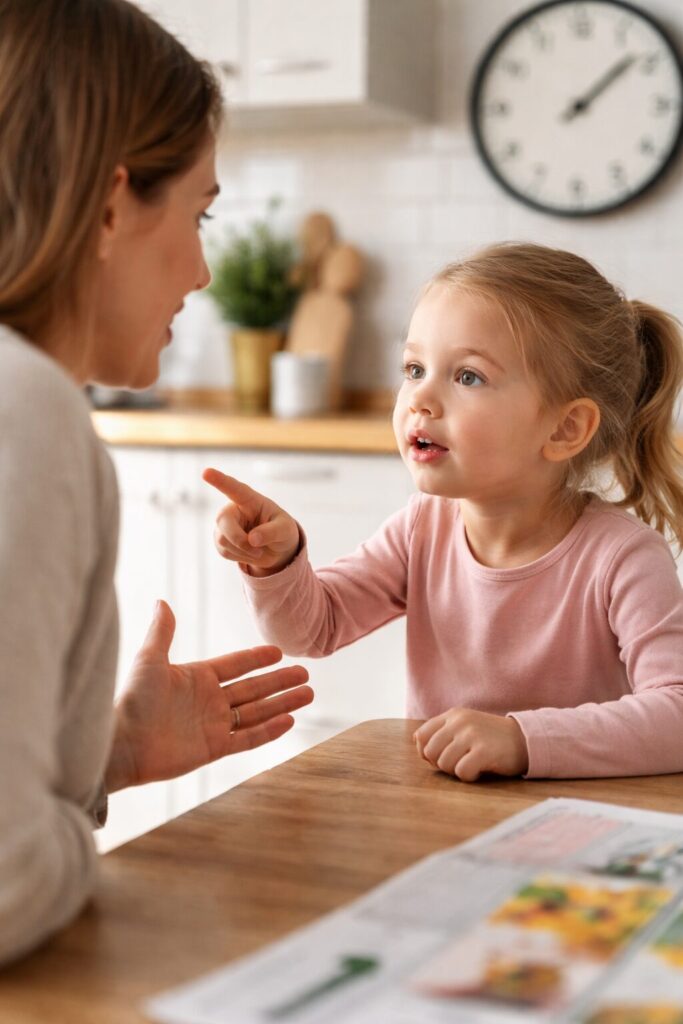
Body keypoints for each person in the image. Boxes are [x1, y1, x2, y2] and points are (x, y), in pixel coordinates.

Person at [0, 0, 313, 967]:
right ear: (109, 207)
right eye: (198, 213)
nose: (204, 269)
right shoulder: (23, 405)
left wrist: (108, 755)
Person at [204, 241, 683, 783]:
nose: (419, 399)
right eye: (414, 368)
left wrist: (521, 740)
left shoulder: (623, 558)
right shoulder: (420, 529)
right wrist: (278, 560)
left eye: (467, 377)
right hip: (439, 814)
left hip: (576, 822)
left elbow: (676, 712)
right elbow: (311, 629)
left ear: (564, 429)